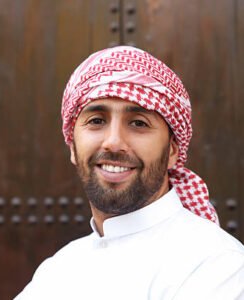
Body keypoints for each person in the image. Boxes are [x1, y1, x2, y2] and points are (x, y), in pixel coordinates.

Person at [15, 46, 244, 300]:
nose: (113, 142)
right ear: (72, 146)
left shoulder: (218, 266)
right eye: (96, 121)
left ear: (172, 151)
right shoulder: (57, 271)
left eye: (138, 123)